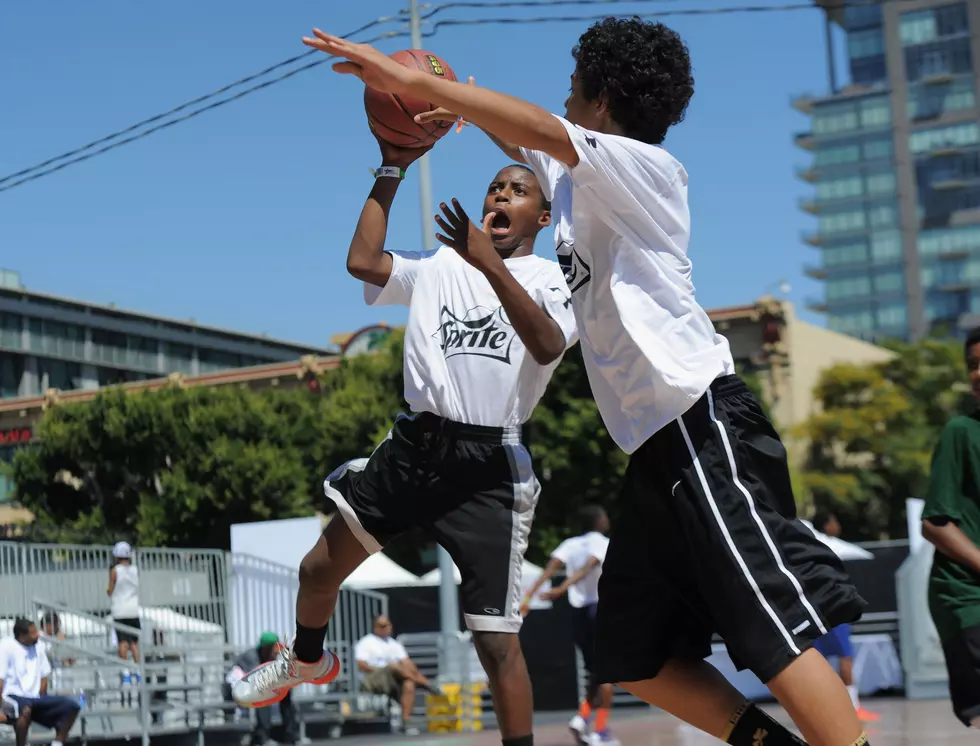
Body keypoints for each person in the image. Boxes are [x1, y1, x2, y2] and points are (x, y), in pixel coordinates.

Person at [303, 16, 869, 746]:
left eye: (573, 88)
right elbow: (529, 144)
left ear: (601, 101)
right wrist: (460, 106)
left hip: (704, 425)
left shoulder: (645, 167)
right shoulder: (581, 188)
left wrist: (411, 80)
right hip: (656, 454)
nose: (563, 100)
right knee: (637, 658)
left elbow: (538, 130)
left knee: (773, 630)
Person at [233, 131, 577, 746]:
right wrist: (391, 168)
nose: (500, 193)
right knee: (317, 570)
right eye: (494, 187)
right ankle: (307, 659)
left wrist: (490, 264)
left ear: (543, 216)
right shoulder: (439, 265)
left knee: (498, 644)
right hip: (415, 448)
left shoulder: (551, 280)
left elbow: (549, 344)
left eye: (517, 188)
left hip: (487, 466)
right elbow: (362, 262)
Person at [922, 326, 980, 729]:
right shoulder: (961, 431)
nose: (977, 373)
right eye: (973, 364)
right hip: (967, 595)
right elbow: (936, 524)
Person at [522, 505, 614, 746]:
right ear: (598, 521)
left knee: (597, 671)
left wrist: (528, 599)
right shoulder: (601, 542)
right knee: (607, 673)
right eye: (604, 517)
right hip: (599, 609)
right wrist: (563, 588)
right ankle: (599, 731)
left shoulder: (570, 544)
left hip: (579, 613)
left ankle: (582, 718)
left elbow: (548, 570)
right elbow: (590, 566)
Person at [809, 512, 879, 724]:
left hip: (814, 611)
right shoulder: (830, 546)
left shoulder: (807, 544)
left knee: (817, 661)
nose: (837, 525)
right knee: (845, 657)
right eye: (834, 521)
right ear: (826, 524)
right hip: (834, 610)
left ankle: (822, 710)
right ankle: (853, 708)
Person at [0, 619, 80, 746]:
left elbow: (44, 677)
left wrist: (42, 703)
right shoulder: (6, 646)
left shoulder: (39, 647)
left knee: (72, 706)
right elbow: (0, 679)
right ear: (21, 636)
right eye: (33, 633)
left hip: (34, 698)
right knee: (25, 709)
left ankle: (57, 743)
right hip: (11, 696)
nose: (37, 635)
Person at [355, 615, 434, 736]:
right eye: (382, 626)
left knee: (408, 683)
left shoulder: (394, 644)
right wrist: (383, 669)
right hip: (373, 677)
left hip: (393, 678)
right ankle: (425, 683)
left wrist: (412, 672)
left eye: (388, 625)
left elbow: (408, 663)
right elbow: (361, 665)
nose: (386, 628)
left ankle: (406, 721)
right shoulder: (366, 642)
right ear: (375, 627)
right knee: (393, 665)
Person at [227, 634, 298, 746]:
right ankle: (263, 737)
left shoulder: (269, 653)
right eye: (274, 649)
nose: (276, 652)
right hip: (238, 688)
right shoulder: (252, 657)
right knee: (264, 698)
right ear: (267, 648)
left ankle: (290, 734)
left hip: (256, 685)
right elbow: (258, 679)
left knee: (286, 695)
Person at [107, 541, 141, 682]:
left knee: (122, 642)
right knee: (134, 643)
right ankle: (139, 670)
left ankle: (125, 671)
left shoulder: (115, 570)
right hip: (133, 609)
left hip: (120, 610)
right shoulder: (135, 569)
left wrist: (108, 589)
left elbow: (110, 589)